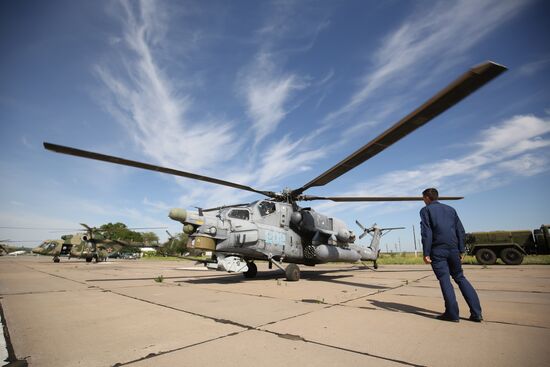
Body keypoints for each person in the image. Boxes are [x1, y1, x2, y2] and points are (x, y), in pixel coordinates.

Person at [420, 188, 483, 323]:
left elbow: (427, 233)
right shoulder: (450, 209)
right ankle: (477, 313)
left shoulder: (426, 210)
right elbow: (460, 230)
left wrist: (426, 253)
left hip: (438, 251)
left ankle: (452, 314)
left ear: (426, 198)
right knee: (460, 277)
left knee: (445, 280)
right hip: (454, 249)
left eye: (423, 198)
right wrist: (461, 249)